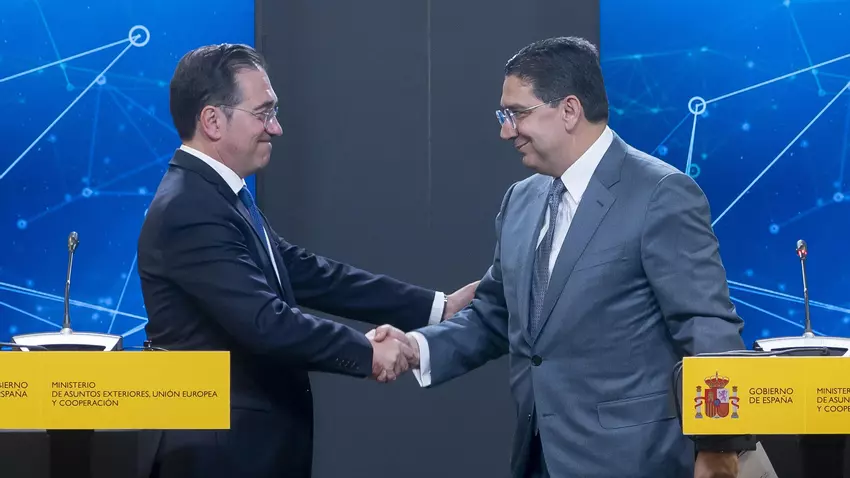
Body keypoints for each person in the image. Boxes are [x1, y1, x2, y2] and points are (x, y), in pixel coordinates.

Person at [370, 37, 756, 478]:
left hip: (634, 462)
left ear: (569, 110)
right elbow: (495, 315)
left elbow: (708, 330)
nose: (506, 131)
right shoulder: (520, 200)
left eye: (516, 114)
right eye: (504, 116)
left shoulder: (660, 195)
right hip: (539, 459)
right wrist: (415, 348)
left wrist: (720, 447)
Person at [136, 43, 477, 478]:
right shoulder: (190, 207)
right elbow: (265, 322)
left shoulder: (219, 196)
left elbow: (306, 273)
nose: (276, 128)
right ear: (213, 120)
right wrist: (368, 353)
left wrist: (437, 307)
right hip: (220, 456)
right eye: (263, 113)